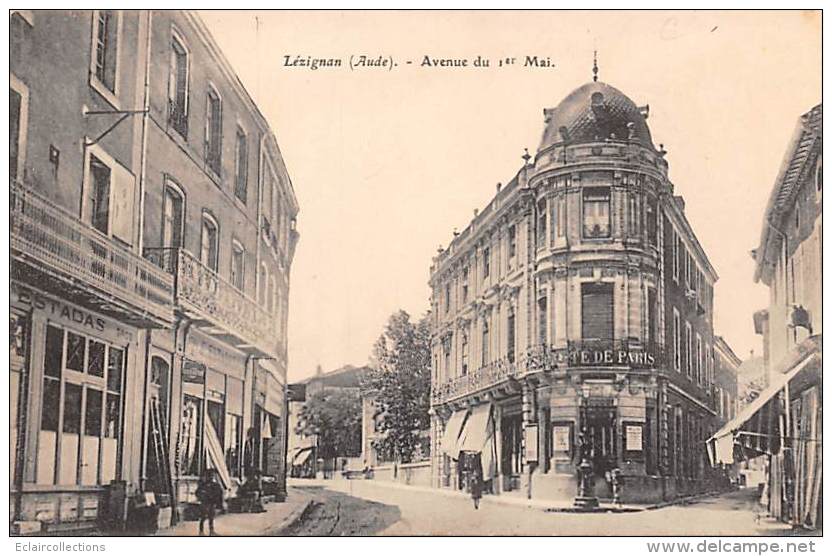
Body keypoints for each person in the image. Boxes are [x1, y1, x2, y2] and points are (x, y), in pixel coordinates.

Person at [195, 468, 224, 536]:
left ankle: (211, 531)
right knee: (203, 517)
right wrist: (202, 497)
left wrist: (217, 502)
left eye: (212, 475)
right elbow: (198, 492)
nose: (212, 477)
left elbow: (219, 493)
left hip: (211, 503)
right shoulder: (203, 484)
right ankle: (201, 531)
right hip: (205, 503)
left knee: (211, 517)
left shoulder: (215, 485)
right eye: (211, 475)